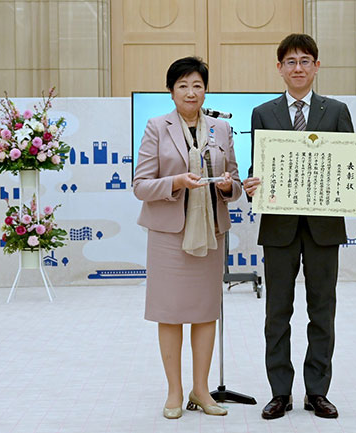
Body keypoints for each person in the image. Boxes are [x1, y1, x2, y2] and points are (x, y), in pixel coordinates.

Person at [242, 33, 356, 420]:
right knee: (277, 313)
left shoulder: (336, 110)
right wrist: (251, 182)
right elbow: (260, 165)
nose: (298, 68)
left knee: (322, 311)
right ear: (279, 68)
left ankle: (317, 392)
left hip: (324, 228)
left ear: (317, 66)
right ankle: (280, 393)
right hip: (279, 228)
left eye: (305, 61)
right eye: (290, 62)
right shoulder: (263, 113)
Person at [133, 56, 242, 419]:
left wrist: (228, 187)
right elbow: (141, 186)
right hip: (169, 235)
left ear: (206, 89)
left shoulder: (221, 129)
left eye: (197, 85)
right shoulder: (156, 127)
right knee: (170, 313)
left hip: (210, 231)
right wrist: (177, 182)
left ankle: (201, 390)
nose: (190, 92)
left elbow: (237, 183)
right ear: (171, 91)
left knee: (205, 312)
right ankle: (175, 392)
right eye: (182, 86)